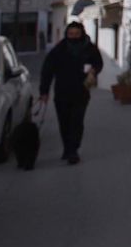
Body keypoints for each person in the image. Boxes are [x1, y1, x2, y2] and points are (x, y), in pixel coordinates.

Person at [39, 21, 103, 164]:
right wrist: (44, 91)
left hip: (81, 92)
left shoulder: (90, 49)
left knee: (76, 122)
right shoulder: (59, 50)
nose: (73, 37)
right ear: (66, 34)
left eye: (76, 34)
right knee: (64, 122)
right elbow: (47, 71)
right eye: (70, 34)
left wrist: (94, 70)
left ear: (82, 34)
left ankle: (73, 150)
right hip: (62, 92)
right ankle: (67, 148)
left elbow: (98, 63)